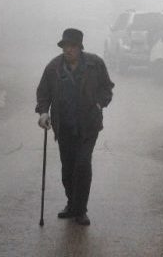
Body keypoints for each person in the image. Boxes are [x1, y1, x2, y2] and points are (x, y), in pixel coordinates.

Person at [35, 28, 114, 226]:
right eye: (64, 46)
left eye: (72, 46)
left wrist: (98, 103)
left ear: (79, 48)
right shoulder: (53, 67)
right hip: (64, 127)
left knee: (82, 165)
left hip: (88, 126)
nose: (67, 50)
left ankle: (81, 210)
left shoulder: (95, 64)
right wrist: (43, 112)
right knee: (68, 168)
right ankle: (72, 204)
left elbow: (107, 88)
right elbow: (43, 92)